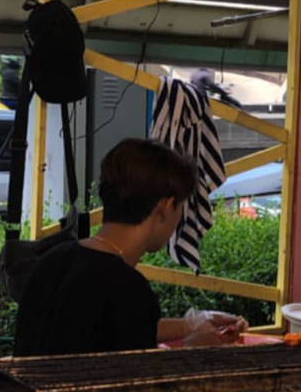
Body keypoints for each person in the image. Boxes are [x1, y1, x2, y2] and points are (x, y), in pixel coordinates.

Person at [14, 138, 247, 356]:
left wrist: (193, 323)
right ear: (165, 207)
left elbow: (108, 330)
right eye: (180, 207)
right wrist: (190, 351)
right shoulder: (127, 288)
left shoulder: (54, 259)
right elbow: (135, 384)